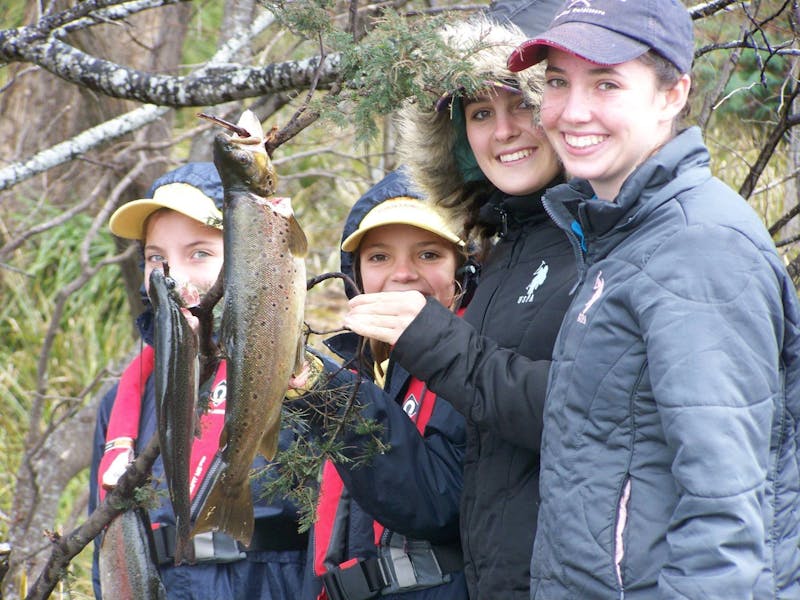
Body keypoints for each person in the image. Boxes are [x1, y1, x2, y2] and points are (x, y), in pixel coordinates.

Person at [506, 1, 800, 597]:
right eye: (558, 82)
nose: (572, 111)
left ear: (673, 95)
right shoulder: (621, 233)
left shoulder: (697, 249)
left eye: (607, 83)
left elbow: (726, 518)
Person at [344, 16, 576, 600]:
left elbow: (588, 410)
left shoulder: (596, 242)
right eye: (478, 113)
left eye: (520, 104)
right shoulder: (502, 258)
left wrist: (435, 340)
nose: (503, 131)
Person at [88, 162, 307, 600]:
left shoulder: (297, 379)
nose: (175, 277)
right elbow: (107, 555)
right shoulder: (124, 401)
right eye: (157, 258)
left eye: (200, 253)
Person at [298, 168, 470, 600]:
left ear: (462, 271)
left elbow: (439, 504)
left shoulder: (475, 364)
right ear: (352, 272)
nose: (403, 274)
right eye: (379, 257)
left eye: (429, 255)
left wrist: (329, 393)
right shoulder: (351, 368)